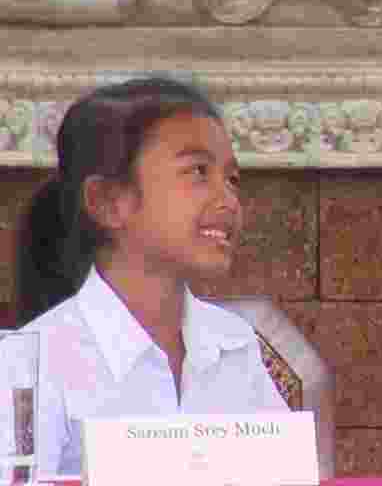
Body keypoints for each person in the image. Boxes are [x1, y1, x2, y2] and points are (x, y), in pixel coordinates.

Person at [13, 76, 289, 477]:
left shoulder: (235, 343)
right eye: (198, 172)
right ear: (108, 202)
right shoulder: (32, 366)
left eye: (232, 179)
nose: (228, 200)